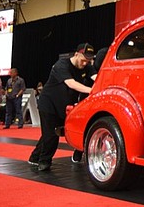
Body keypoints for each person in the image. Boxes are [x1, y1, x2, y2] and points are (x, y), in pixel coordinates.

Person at [29, 43, 97, 172]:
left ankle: (34, 157)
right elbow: (71, 84)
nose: (84, 64)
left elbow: (97, 78)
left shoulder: (87, 66)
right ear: (76, 54)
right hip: (48, 104)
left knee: (47, 134)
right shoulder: (61, 65)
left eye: (87, 61)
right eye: (83, 60)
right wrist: (93, 91)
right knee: (51, 136)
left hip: (64, 106)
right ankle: (44, 162)